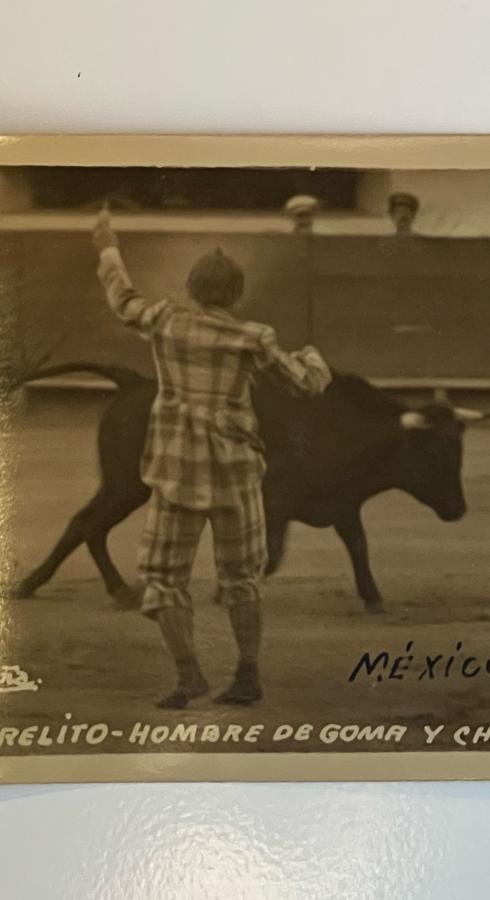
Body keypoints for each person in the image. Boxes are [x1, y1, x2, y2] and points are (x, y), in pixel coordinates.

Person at [91, 206, 333, 709]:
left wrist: (108, 246)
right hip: (236, 477)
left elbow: (121, 298)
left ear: (192, 289)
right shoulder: (253, 337)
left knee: (161, 579)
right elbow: (305, 385)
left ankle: (188, 675)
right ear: (237, 295)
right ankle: (247, 674)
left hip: (175, 473)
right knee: (241, 578)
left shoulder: (165, 320)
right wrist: (314, 358)